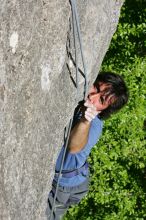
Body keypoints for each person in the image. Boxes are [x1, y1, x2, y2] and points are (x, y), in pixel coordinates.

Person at [47, 72, 129, 220]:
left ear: (104, 109)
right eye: (96, 87)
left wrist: (85, 121)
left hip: (65, 186)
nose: (92, 97)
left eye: (101, 100)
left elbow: (74, 147)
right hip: (76, 178)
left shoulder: (94, 125)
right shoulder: (81, 104)